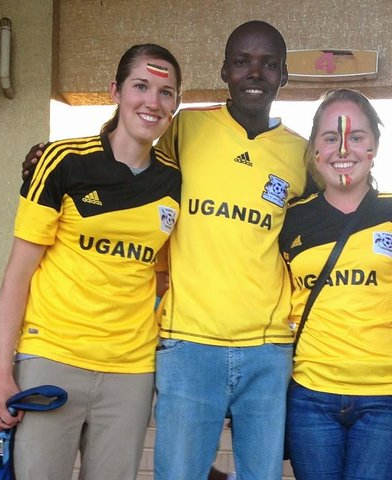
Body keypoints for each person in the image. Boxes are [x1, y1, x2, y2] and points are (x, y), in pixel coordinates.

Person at [0, 43, 182, 480]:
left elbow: (162, 276)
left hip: (130, 370)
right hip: (52, 356)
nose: (152, 101)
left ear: (176, 105)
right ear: (116, 91)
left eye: (166, 92)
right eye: (141, 86)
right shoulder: (62, 161)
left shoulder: (175, 182)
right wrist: (1, 375)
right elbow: (18, 274)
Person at [151, 20, 309, 480]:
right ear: (224, 71)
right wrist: (59, 154)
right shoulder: (187, 128)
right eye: (242, 62)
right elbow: (130, 161)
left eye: (268, 64)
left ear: (284, 76)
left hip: (268, 348)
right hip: (189, 343)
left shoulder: (300, 155)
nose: (254, 73)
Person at [279, 88, 392, 480]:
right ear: (314, 150)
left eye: (356, 137)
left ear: (373, 147)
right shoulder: (290, 220)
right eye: (330, 138)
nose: (342, 148)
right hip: (311, 397)